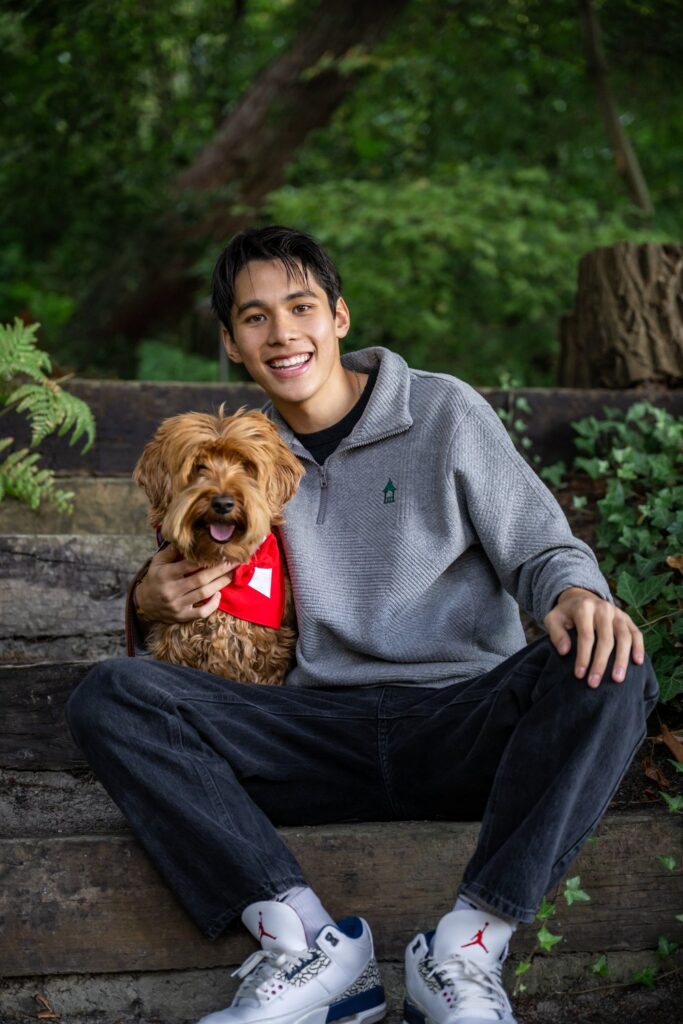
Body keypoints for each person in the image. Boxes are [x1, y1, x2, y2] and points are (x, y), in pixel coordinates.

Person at [65, 226, 659, 1024]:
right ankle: (308, 944)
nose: (281, 333)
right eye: (254, 318)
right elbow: (189, 576)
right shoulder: (238, 457)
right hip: (307, 728)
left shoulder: (441, 410)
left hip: (459, 717)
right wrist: (144, 600)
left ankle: (466, 950)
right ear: (231, 343)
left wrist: (578, 593)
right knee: (110, 695)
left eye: (300, 307)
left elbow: (541, 547)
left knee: (611, 661)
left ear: (339, 317)